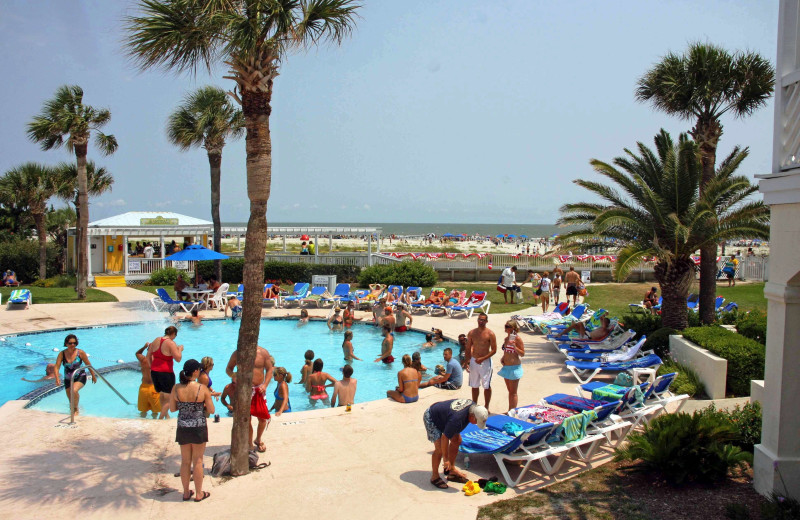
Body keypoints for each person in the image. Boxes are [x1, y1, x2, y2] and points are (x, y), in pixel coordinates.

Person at [169, 359, 213, 502]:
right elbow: (211, 410)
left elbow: (172, 408)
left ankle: (186, 492)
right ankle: (199, 493)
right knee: (198, 461)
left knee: (185, 461)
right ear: (195, 372)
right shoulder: (202, 388)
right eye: (199, 370)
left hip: (183, 427)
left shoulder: (176, 388)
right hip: (198, 427)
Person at [423, 399, 488, 489]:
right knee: (439, 450)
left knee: (457, 440)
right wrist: (446, 460)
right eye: (477, 422)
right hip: (432, 417)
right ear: (472, 416)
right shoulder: (457, 419)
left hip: (446, 417)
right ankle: (435, 476)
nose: (476, 424)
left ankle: (452, 470)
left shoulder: (474, 408)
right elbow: (445, 438)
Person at [225, 344, 273, 453]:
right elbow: (228, 368)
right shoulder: (238, 353)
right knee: (247, 419)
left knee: (262, 419)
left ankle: (258, 439)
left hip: (258, 390)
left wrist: (265, 385)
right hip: (244, 390)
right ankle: (249, 443)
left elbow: (269, 369)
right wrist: (234, 375)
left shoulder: (263, 352)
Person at [54, 334, 96, 415]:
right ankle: (74, 408)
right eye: (70, 343)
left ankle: (76, 409)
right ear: (66, 344)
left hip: (80, 376)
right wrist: (57, 378)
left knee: (74, 391)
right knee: (71, 400)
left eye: (74, 343)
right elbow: (56, 367)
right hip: (68, 379)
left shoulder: (80, 353)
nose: (72, 345)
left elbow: (88, 364)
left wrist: (93, 376)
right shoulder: (62, 354)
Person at [148, 326, 184, 419]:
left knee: (161, 394)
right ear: (173, 334)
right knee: (169, 398)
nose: (174, 338)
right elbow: (178, 359)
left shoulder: (156, 340)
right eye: (175, 336)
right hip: (166, 373)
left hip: (154, 372)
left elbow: (148, 356)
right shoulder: (171, 343)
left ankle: (166, 416)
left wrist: (152, 367)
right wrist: (180, 349)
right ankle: (160, 418)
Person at [463, 313, 497, 410]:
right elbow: (468, 347)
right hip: (474, 360)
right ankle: (474, 405)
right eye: (479, 319)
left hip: (485, 362)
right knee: (474, 385)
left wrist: (483, 358)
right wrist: (467, 362)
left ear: (486, 321)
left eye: (483, 320)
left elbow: (494, 350)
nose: (481, 322)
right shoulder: (472, 333)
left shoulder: (490, 334)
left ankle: (486, 406)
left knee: (486, 385)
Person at [498, 321, 525, 411]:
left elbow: (522, 354)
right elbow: (507, 351)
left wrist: (514, 346)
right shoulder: (506, 339)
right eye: (505, 325)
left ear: (513, 328)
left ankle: (511, 412)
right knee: (510, 391)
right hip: (506, 368)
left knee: (513, 393)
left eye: (507, 326)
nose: (505, 327)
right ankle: (510, 410)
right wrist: (503, 358)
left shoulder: (517, 339)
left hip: (514, 367)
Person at [135, 343, 160, 419]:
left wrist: (144, 346)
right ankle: (154, 424)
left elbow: (137, 353)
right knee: (155, 412)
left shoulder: (143, 360)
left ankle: (142, 424)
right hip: (154, 388)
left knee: (143, 411)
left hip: (144, 388)